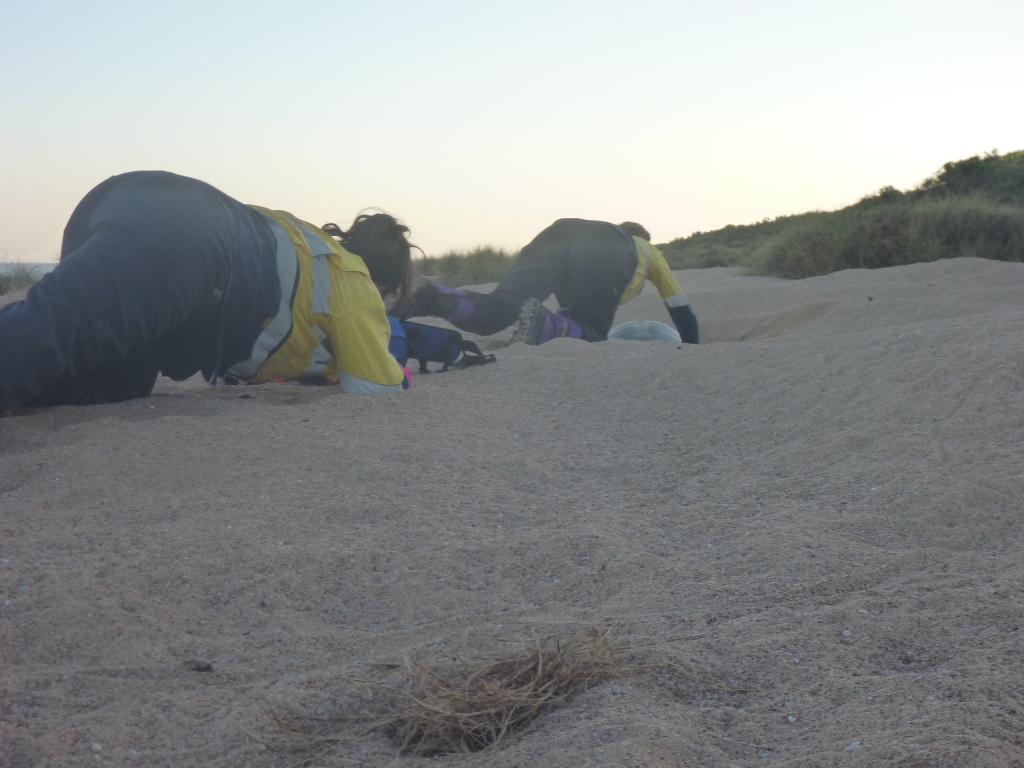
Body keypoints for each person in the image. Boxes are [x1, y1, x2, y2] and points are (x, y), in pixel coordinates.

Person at [0, 170, 415, 416]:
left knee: (111, 383)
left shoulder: (307, 241)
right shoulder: (355, 282)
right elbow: (377, 393)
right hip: (190, 243)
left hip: (138, 204)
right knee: (49, 330)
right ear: (381, 283)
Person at [393, 218, 699, 346]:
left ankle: (428, 295)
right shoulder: (648, 251)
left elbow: (573, 305)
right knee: (592, 334)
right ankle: (544, 325)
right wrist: (693, 347)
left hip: (557, 231)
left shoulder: (600, 238)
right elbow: (680, 308)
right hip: (605, 247)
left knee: (497, 313)